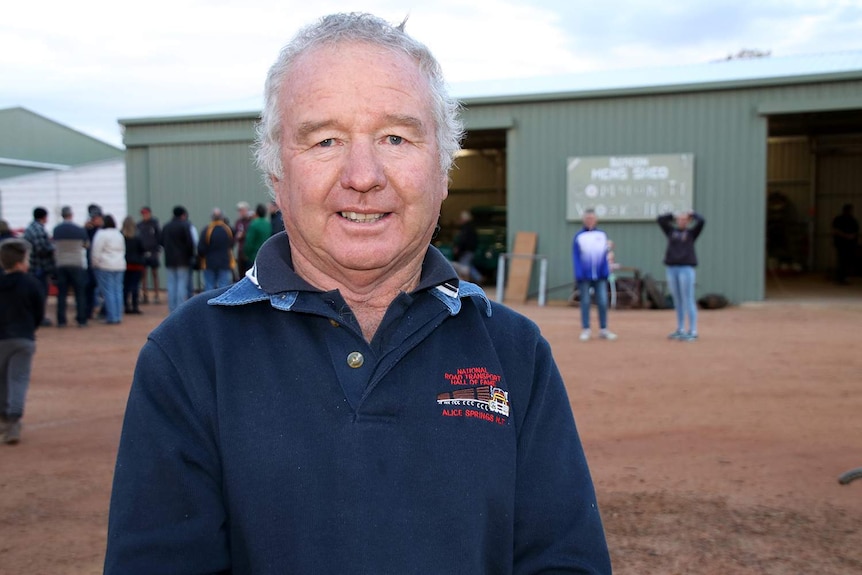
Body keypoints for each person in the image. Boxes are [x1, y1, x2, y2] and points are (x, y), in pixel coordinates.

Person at [104, 13, 610, 574]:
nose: (363, 175)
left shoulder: (516, 353)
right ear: (276, 175)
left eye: (395, 137)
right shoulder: (189, 357)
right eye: (325, 140)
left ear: (442, 169)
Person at [0, 238, 45, 444]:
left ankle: (3, 418)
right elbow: (39, 311)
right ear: (20, 262)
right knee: (17, 378)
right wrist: (30, 327)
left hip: (2, 338)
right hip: (24, 337)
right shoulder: (31, 283)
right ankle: (14, 420)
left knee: (2, 379)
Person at [658, 210, 706, 341]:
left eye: (685, 220)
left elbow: (702, 221)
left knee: (688, 298)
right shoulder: (671, 232)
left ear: (688, 221)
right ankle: (680, 328)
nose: (682, 221)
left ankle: (693, 330)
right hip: (672, 268)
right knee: (677, 300)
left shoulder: (691, 233)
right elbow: (660, 219)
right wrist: (673, 215)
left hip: (686, 268)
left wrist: (692, 214)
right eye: (680, 219)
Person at [572, 208, 617, 342]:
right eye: (587, 218)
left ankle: (603, 329)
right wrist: (578, 273)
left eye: (592, 218)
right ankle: (586, 329)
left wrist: (606, 271)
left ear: (596, 220)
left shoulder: (602, 235)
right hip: (584, 276)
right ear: (584, 220)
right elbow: (575, 256)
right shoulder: (579, 237)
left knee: (602, 301)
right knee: (585, 302)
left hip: (600, 276)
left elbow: (605, 255)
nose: (590, 221)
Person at [52, 206, 90, 327]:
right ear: (71, 215)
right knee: (79, 293)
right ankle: (81, 319)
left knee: (62, 294)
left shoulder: (57, 230)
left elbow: (53, 245)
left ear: (62, 215)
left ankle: (61, 320)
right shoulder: (79, 230)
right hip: (76, 264)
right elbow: (86, 245)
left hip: (61, 264)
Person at [91, 215, 126, 325]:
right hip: (119, 265)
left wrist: (95, 264)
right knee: (118, 290)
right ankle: (118, 315)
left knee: (108, 291)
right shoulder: (118, 234)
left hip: (105, 265)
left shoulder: (101, 234)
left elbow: (96, 251)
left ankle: (112, 316)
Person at [23, 207, 54, 326]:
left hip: (31, 266)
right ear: (44, 217)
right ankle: (40, 317)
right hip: (39, 267)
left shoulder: (29, 228)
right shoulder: (39, 230)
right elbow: (41, 248)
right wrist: (53, 248)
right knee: (41, 293)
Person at [159, 206, 195, 312]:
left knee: (171, 284)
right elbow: (190, 243)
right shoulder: (185, 226)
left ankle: (172, 307)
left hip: (170, 259)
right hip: (183, 260)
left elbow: (161, 241)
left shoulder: (166, 226)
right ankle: (180, 308)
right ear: (183, 215)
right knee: (181, 284)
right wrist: (191, 255)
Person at [197, 207, 235, 291]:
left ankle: (208, 303)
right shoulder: (228, 229)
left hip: (209, 262)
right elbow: (231, 244)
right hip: (224, 262)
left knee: (209, 286)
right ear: (222, 217)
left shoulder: (207, 230)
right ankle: (222, 304)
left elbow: (201, 248)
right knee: (223, 287)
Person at [136, 207, 161, 303]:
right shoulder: (139, 225)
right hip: (143, 252)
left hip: (153, 252)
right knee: (143, 275)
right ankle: (144, 294)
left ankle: (156, 295)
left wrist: (158, 250)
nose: (144, 216)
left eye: (146, 214)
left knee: (154, 274)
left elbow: (159, 238)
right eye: (143, 214)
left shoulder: (154, 224)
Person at [451, 209, 484, 282]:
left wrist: (459, 248)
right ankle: (478, 277)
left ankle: (469, 280)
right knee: (468, 265)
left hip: (466, 250)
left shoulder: (466, 229)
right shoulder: (472, 227)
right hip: (470, 249)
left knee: (464, 267)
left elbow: (463, 240)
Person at [122, 216, 145, 315]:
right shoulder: (138, 236)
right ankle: (135, 306)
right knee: (135, 286)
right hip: (137, 264)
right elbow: (142, 249)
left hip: (126, 264)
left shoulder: (121, 236)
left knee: (126, 286)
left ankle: (126, 305)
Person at [84, 205, 104, 320]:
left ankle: (101, 310)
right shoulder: (89, 230)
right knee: (90, 287)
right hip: (91, 262)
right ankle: (90, 310)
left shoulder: (102, 231)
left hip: (100, 263)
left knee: (102, 289)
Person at [831, 203, 859, 285]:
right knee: (841, 260)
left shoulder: (853, 220)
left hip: (850, 244)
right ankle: (840, 277)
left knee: (848, 260)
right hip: (841, 244)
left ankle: (845, 277)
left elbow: (856, 232)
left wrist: (851, 236)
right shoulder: (838, 219)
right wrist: (845, 235)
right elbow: (834, 230)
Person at [233, 201, 252, 278]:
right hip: (240, 251)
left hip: (249, 252)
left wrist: (243, 234)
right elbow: (235, 236)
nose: (240, 213)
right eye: (239, 211)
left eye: (242, 210)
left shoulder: (251, 222)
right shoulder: (238, 222)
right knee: (241, 273)